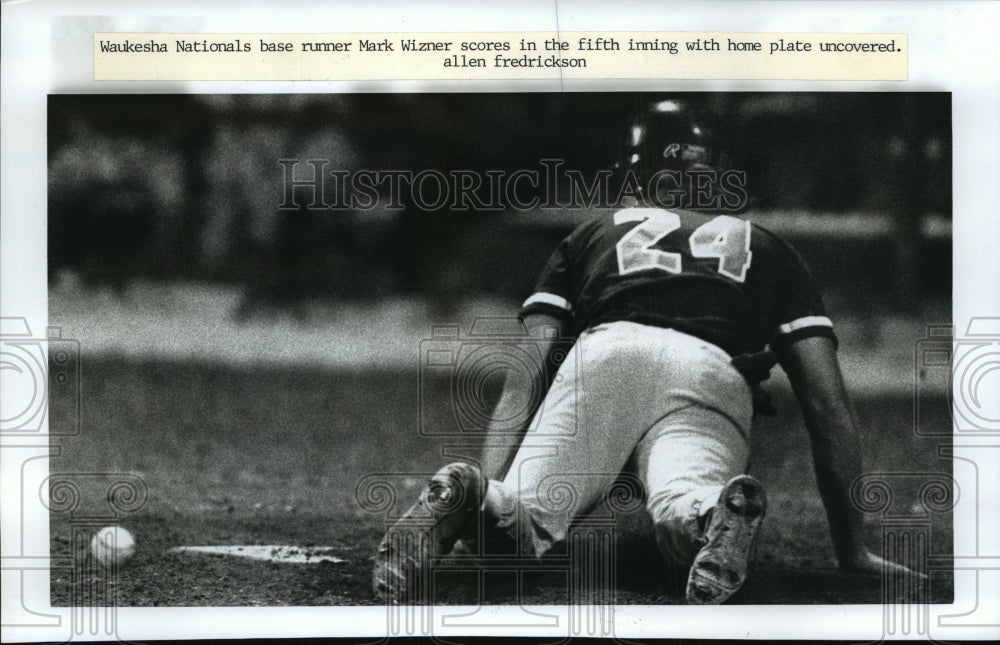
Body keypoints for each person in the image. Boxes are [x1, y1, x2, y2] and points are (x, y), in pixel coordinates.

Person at [373, 97, 924, 605]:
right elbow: (828, 406)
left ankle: (475, 499)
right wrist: (852, 548)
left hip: (606, 356)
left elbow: (523, 379)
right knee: (687, 506)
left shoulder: (593, 233)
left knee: (519, 527)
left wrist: (492, 485)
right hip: (712, 369)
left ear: (635, 174)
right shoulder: (770, 247)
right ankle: (710, 515)